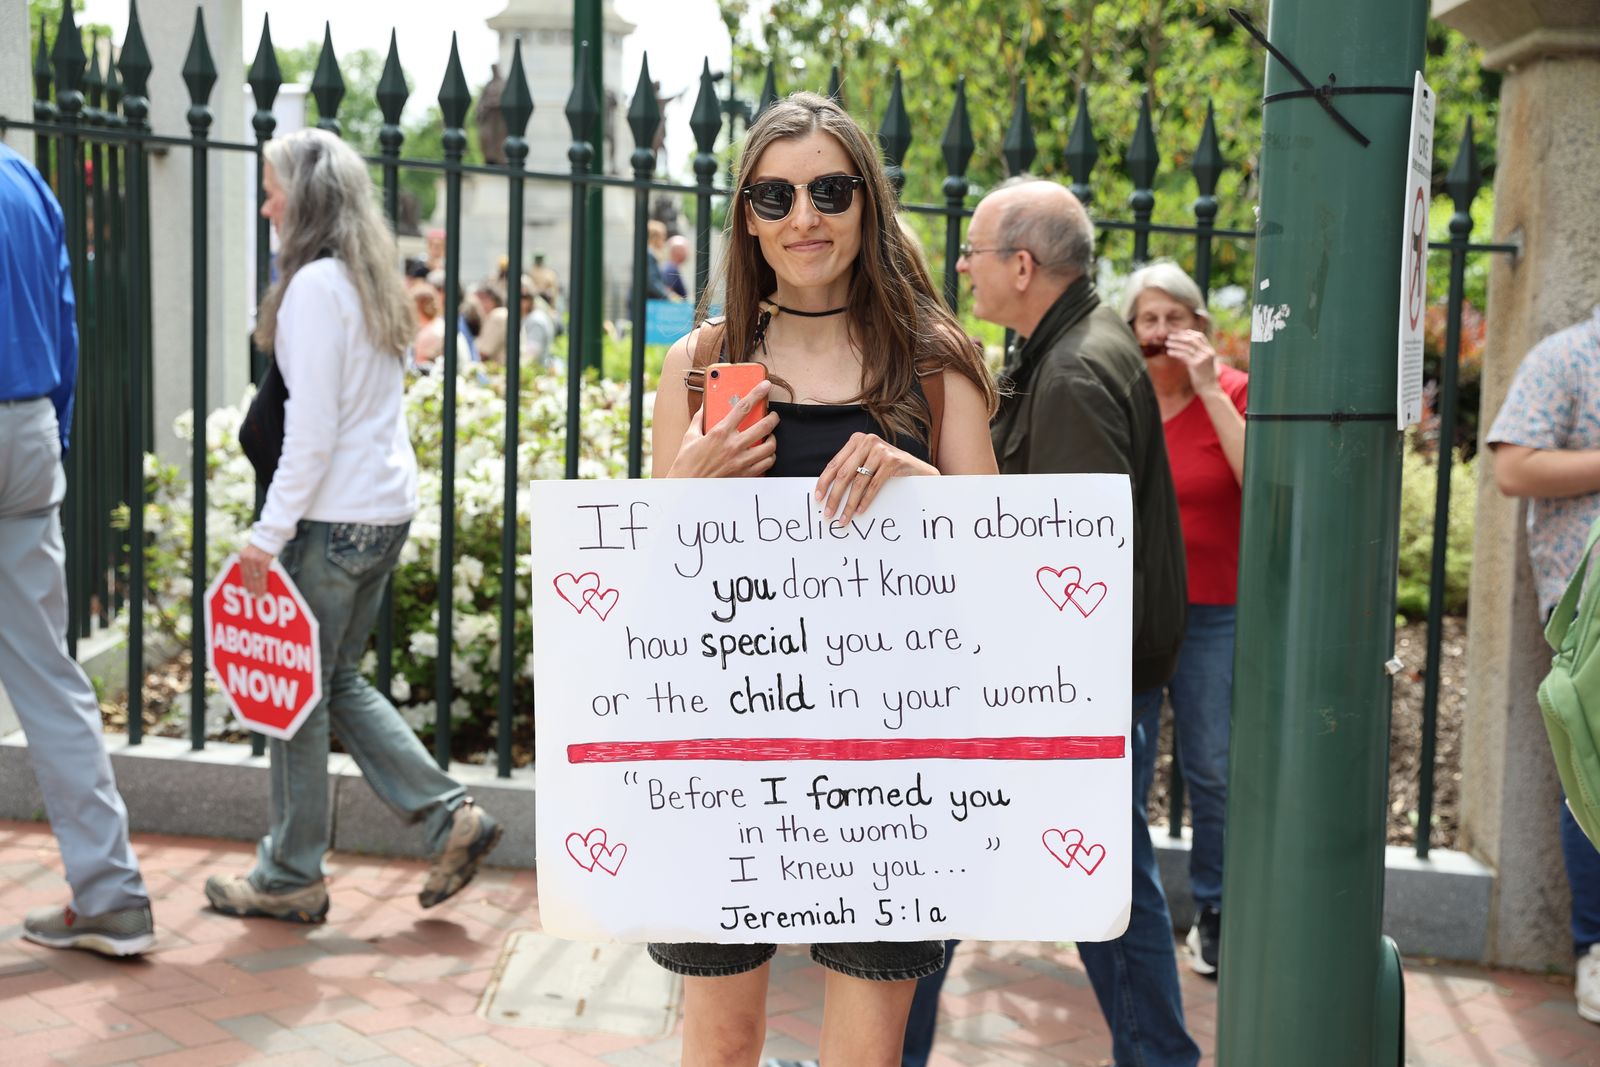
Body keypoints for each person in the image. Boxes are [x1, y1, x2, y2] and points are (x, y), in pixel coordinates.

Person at [649, 91, 999, 1067]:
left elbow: (1008, 578)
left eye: (829, 190)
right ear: (746, 219)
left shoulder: (931, 368)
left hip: (889, 769)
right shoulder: (700, 367)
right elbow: (651, 595)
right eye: (774, 195)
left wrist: (927, 486)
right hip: (726, 757)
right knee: (716, 1048)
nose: (802, 216)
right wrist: (682, 485)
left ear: (866, 204)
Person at [903, 178, 1197, 1067]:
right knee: (1087, 882)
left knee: (1082, 883)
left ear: (1022, 266)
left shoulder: (1072, 370)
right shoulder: (1078, 347)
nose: (963, 268)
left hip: (1075, 686)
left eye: (976, 254)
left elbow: (1070, 564)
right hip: (1091, 682)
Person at [205, 128, 502, 923]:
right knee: (332, 680)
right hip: (380, 513)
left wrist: (264, 539)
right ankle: (449, 817)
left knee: (298, 696)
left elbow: (313, 433)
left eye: (272, 188)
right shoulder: (370, 281)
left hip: (331, 520)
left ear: (302, 198)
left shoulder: (313, 290)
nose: (265, 202)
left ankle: (291, 873)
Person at [0, 142, 155, 957]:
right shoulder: (25, 179)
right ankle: (111, 890)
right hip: (25, 426)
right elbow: (66, 318)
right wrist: (50, 435)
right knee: (50, 675)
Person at [1121, 261, 1247, 978]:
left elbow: (1257, 479)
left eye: (1175, 318)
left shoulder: (1229, 390)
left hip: (1213, 614)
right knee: (1124, 770)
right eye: (1148, 318)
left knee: (1212, 766)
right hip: (1134, 619)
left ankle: (1217, 910)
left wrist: (1208, 389)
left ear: (1199, 327)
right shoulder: (1124, 394)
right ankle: (1126, 915)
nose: (1161, 331)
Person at [1486, 305, 1600, 1024]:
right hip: (1591, 613)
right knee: (1592, 772)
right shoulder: (1567, 357)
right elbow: (1514, 466)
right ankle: (1595, 948)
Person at [663, 234, 691, 300]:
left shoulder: (671, 268)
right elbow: (669, 292)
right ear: (679, 252)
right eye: (685, 249)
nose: (688, 253)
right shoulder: (671, 270)